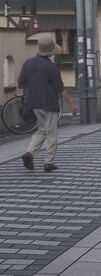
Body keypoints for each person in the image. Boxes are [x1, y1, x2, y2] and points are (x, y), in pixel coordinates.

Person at [19, 36, 78, 173]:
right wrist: (72, 103)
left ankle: (30, 154)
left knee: (41, 129)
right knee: (51, 133)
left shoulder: (27, 63)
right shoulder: (51, 67)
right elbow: (60, 89)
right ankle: (48, 162)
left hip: (33, 104)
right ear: (51, 52)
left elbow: (21, 83)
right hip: (49, 104)